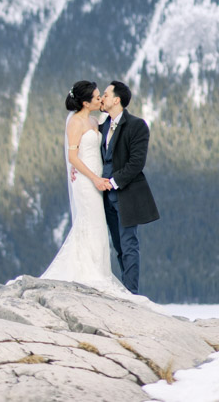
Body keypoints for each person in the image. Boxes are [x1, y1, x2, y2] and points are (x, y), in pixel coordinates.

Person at [40, 80, 127, 294]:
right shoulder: (75, 123)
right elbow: (72, 156)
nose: (100, 100)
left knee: (98, 227)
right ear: (86, 103)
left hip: (97, 179)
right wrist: (94, 178)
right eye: (97, 97)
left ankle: (98, 271)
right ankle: (89, 275)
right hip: (86, 181)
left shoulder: (95, 120)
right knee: (91, 223)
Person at [98, 81, 159, 294]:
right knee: (118, 247)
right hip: (104, 198)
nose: (102, 98)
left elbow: (136, 162)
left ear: (117, 99)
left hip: (126, 195)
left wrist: (113, 182)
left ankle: (131, 294)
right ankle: (125, 290)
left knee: (129, 244)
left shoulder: (137, 125)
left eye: (105, 94)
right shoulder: (103, 125)